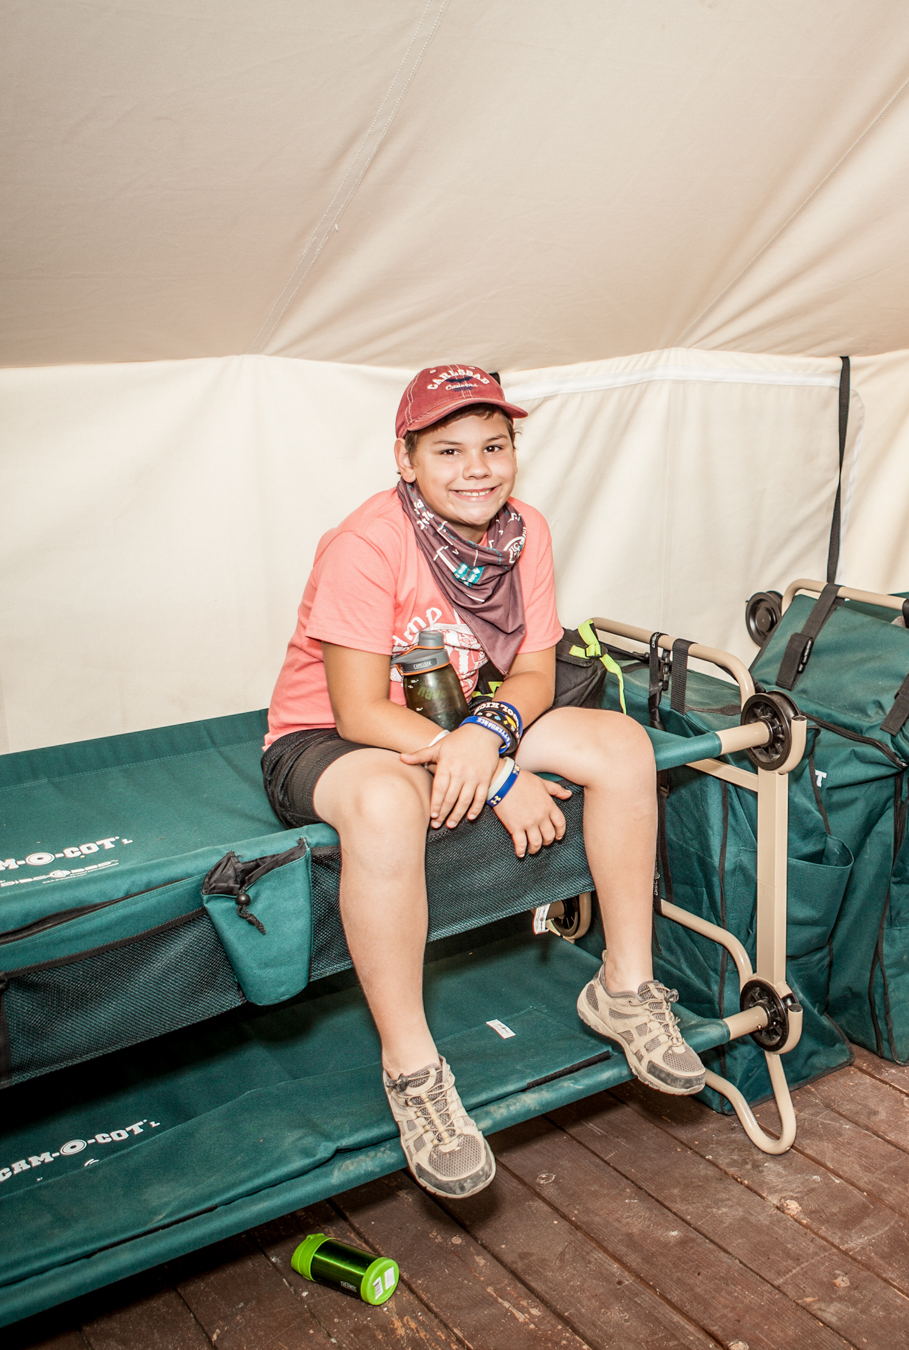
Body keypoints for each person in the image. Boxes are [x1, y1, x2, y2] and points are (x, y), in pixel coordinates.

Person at [261, 364, 702, 1200]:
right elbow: (356, 710)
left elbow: (534, 673)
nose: (477, 468)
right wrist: (499, 778)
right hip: (335, 737)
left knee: (620, 744)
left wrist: (488, 734)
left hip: (462, 717)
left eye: (494, 446)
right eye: (449, 448)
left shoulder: (523, 530)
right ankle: (414, 1072)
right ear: (407, 458)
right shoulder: (367, 542)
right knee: (391, 803)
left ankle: (625, 987)